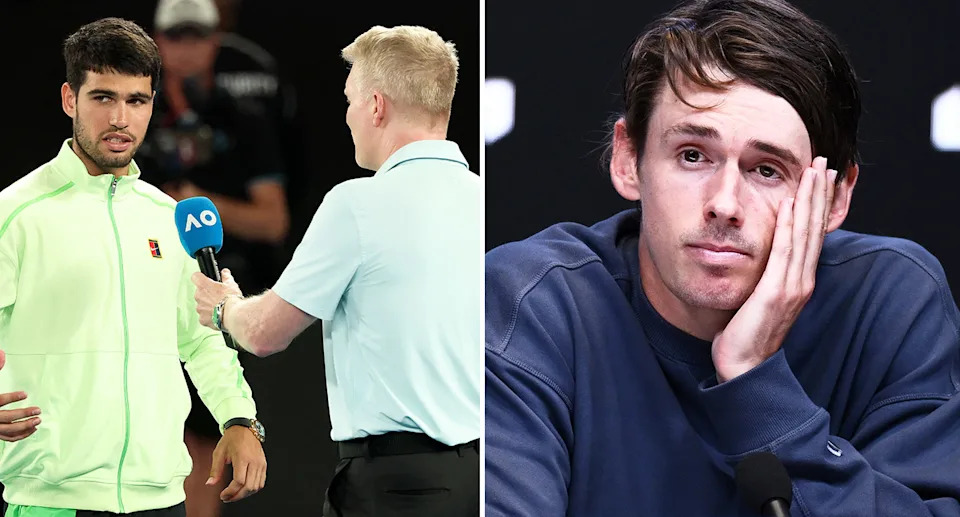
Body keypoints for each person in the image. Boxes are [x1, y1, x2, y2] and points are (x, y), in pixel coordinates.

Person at [484, 0, 960, 516]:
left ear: (836, 197)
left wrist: (756, 379)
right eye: (692, 155)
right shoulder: (531, 302)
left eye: (767, 170)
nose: (725, 204)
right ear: (628, 159)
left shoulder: (889, 302)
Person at [189, 25, 482, 516]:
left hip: (393, 489)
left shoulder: (356, 203)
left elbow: (264, 334)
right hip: (483, 483)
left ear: (376, 106)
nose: (347, 116)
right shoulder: (485, 200)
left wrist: (224, 308)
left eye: (350, 100)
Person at [0, 17, 267, 516]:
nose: (120, 118)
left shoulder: (169, 218)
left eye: (137, 100)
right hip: (51, 499)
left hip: (162, 499)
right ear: (69, 99)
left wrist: (237, 418)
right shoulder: (14, 214)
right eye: (103, 97)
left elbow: (201, 337)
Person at [135, 2, 289, 514]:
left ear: (215, 41)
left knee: (207, 444)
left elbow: (273, 220)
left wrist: (199, 201)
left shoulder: (245, 120)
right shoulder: (135, 118)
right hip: (143, 290)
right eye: (175, 36)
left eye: (197, 35)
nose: (186, 48)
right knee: (154, 433)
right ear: (157, 40)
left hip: (216, 296)